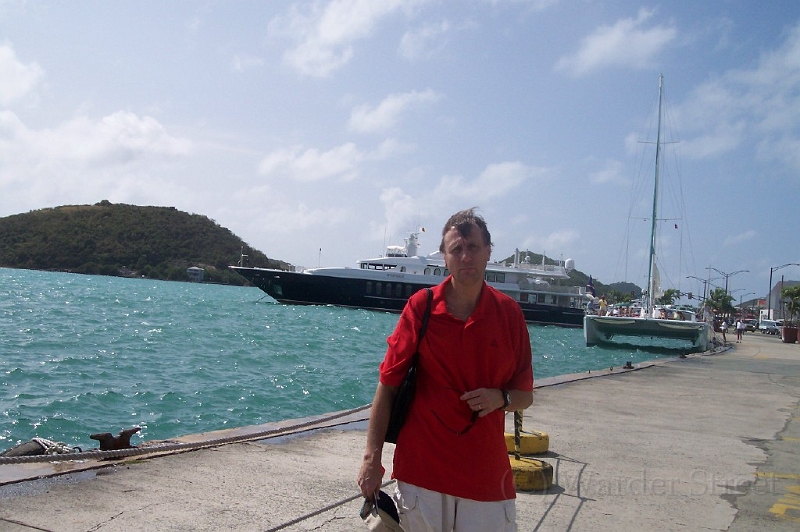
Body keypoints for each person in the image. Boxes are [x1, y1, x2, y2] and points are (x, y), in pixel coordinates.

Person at [357, 208, 534, 531]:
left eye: (473, 247)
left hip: (486, 478)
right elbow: (388, 384)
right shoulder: (421, 307)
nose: (466, 256)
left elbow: (524, 395)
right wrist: (372, 459)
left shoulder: (509, 315)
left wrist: (501, 398)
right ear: (444, 257)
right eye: (456, 249)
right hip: (421, 474)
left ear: (488, 251)